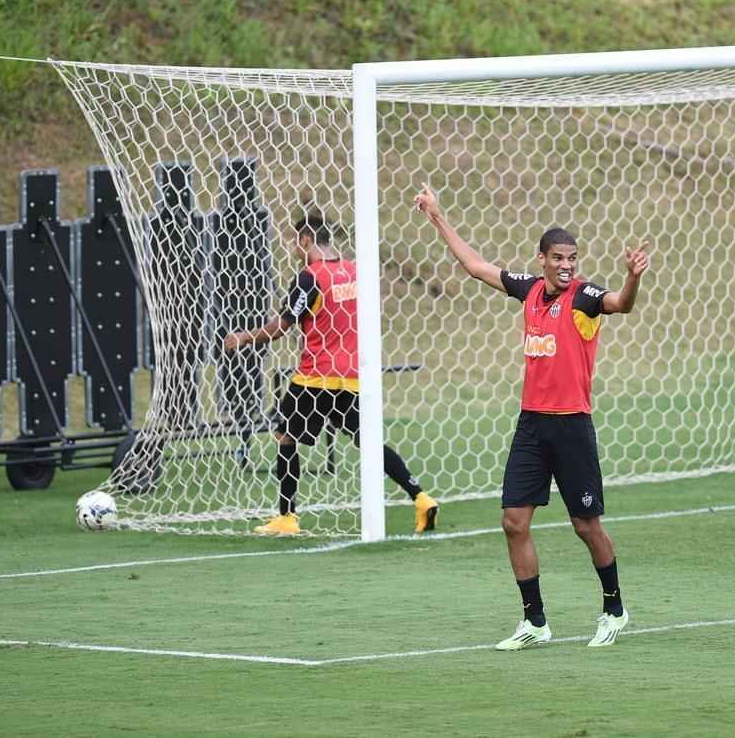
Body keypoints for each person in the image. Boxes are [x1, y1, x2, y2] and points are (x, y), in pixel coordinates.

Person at [415, 183, 649, 650]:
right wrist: (437, 215)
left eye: (573, 258)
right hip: (532, 424)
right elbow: (476, 266)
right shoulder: (528, 290)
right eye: (559, 258)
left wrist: (632, 277)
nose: (567, 266)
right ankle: (535, 621)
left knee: (586, 526)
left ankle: (614, 608)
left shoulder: (584, 297)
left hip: (572, 426)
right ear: (542, 259)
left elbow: (621, 304)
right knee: (513, 521)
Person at [224, 210, 438, 535]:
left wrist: (243, 337)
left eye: (295, 244)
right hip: (352, 375)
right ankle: (420, 496)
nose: (295, 251)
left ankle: (287, 517)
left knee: (285, 436)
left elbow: (282, 326)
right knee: (368, 442)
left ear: (306, 239)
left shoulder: (310, 277)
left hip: (315, 375)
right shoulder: (353, 271)